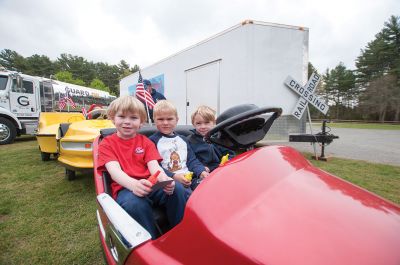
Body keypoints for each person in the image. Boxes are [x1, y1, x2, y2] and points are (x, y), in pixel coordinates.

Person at [97, 95, 187, 239]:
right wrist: (133, 185)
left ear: (141, 122)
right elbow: (114, 172)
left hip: (151, 184)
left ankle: (181, 232)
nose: (127, 122)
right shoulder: (107, 144)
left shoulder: (145, 142)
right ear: (113, 118)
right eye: (121, 116)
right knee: (135, 205)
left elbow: (154, 166)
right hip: (126, 188)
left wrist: (164, 179)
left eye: (133, 118)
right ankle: (150, 242)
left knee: (177, 188)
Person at [149, 100, 209, 193]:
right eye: (160, 119)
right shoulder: (152, 141)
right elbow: (155, 166)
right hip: (168, 181)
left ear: (177, 120)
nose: (165, 123)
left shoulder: (183, 140)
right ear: (154, 120)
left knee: (206, 186)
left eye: (169, 119)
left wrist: (201, 171)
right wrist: (174, 176)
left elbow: (191, 160)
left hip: (189, 179)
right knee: (182, 191)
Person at [187, 105, 235, 176]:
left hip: (222, 170)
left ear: (214, 122)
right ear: (193, 124)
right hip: (201, 172)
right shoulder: (190, 140)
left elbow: (230, 153)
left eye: (206, 123)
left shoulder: (220, 137)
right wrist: (201, 169)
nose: (203, 127)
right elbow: (191, 160)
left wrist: (227, 161)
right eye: (198, 123)